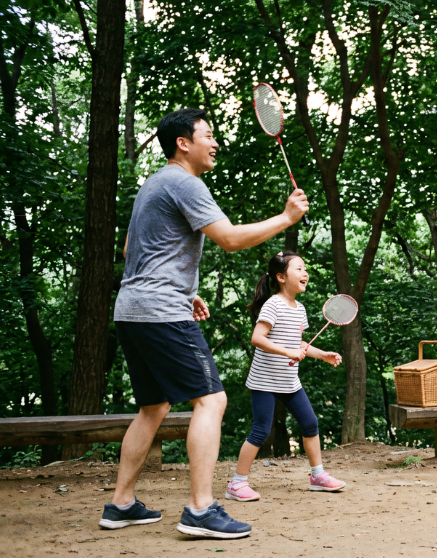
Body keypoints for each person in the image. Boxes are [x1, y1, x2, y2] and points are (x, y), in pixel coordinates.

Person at [100, 108, 309, 539]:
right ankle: (200, 508)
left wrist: (183, 288)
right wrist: (286, 219)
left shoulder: (153, 183)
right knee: (211, 401)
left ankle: (121, 504)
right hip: (160, 312)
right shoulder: (184, 181)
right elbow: (230, 239)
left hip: (132, 308)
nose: (215, 143)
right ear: (183, 143)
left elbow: (130, 248)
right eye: (208, 136)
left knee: (154, 407)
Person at [225, 251, 347, 502]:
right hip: (265, 380)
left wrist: (322, 354)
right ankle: (237, 484)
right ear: (281, 277)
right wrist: (287, 352)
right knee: (260, 431)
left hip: (289, 380)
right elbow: (257, 338)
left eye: (305, 269)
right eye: (299, 269)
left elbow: (299, 342)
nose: (305, 273)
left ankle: (317, 476)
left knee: (310, 424)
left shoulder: (299, 308)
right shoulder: (273, 304)